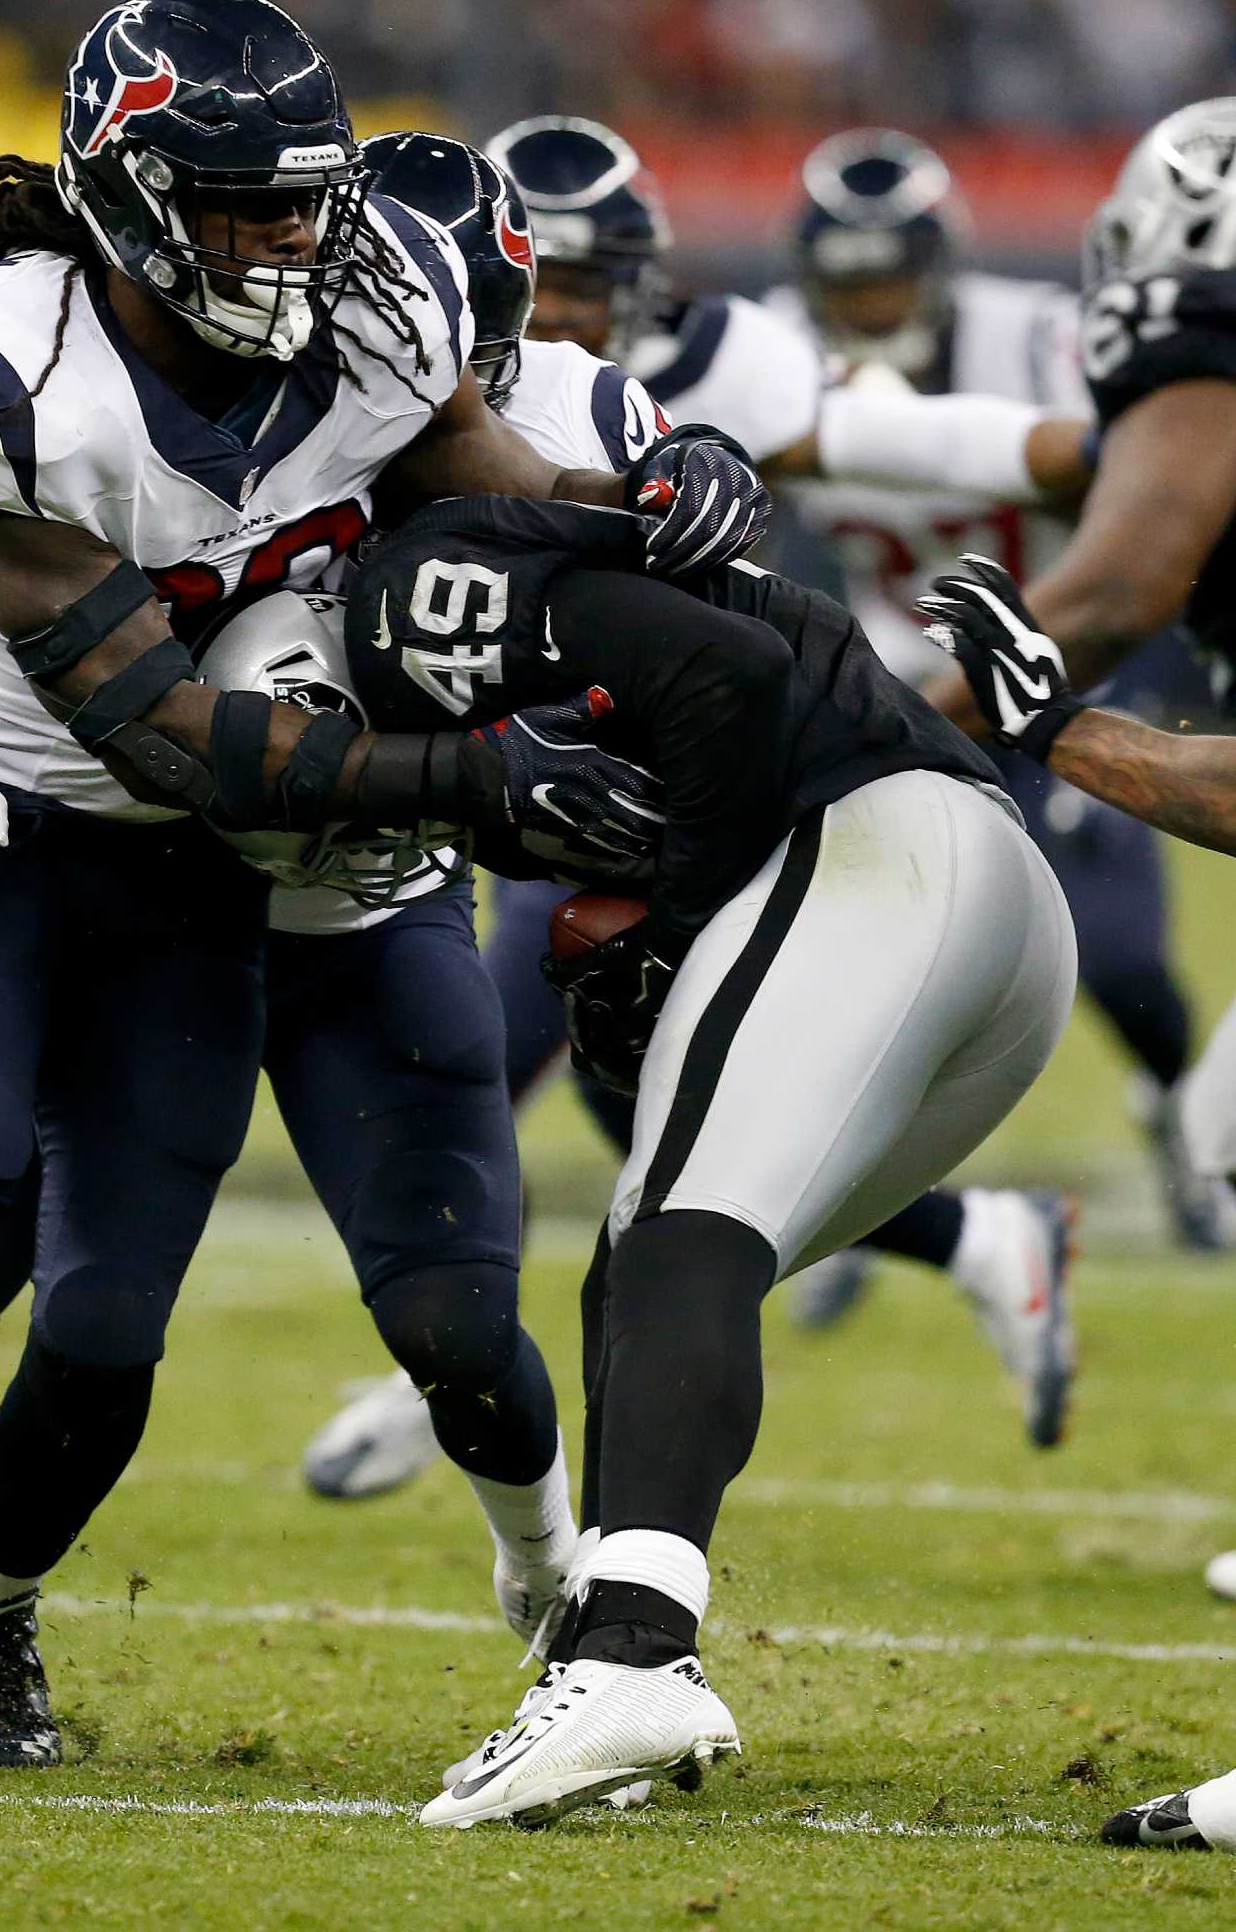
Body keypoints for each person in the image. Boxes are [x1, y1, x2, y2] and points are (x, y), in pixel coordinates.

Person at [0, 0, 733, 1764]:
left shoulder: (378, 300)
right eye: (245, 203)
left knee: (106, 1326)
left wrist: (646, 501)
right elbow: (166, 733)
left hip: (198, 886)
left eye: (307, 196)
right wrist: (483, 778)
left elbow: (487, 483)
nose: (295, 237)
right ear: (127, 198)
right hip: (35, 820)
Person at [305, 119, 1082, 1503]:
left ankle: (485, 1395)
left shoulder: (650, 386)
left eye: (592, 279)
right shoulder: (327, 400)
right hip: (526, 772)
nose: (571, 310)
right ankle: (474, 1373)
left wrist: (1102, 455)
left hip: (699, 780)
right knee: (606, 1109)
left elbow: (876, 442)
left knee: (619, 1101)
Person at [330, 491, 1077, 1828]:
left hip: (883, 848)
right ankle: (601, 1656)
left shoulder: (413, 580)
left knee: (683, 1235)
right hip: (982, 918)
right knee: (643, 1265)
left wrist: (674, 924)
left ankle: (634, 1657)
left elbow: (727, 671)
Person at [767, 128, 1223, 1280]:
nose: (870, 301)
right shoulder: (768, 346)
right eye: (848, 280)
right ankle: (823, 1191)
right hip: (901, 673)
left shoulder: (1047, 337)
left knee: (1119, 957)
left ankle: (1176, 1111)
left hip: (1061, 656)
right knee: (842, 948)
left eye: (889, 274)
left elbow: (1147, 498)